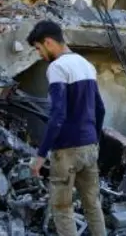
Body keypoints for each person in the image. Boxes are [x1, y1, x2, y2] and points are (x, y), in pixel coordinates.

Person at [26, 20, 107, 236]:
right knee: (93, 204)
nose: (39, 54)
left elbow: (57, 115)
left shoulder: (57, 67)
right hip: (89, 147)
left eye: (38, 48)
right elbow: (100, 109)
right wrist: (94, 139)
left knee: (62, 208)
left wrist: (41, 154)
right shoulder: (86, 65)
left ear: (49, 42)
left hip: (66, 152)